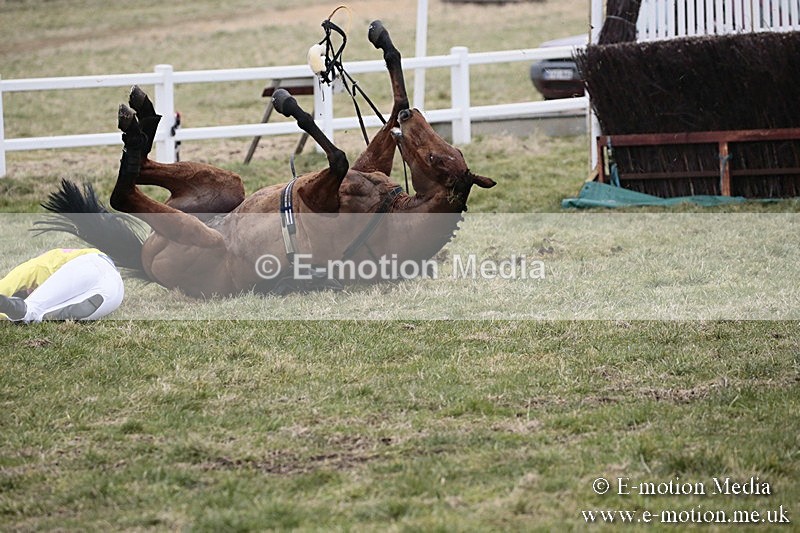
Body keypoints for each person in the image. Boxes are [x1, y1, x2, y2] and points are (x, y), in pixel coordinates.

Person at [0, 248, 124, 323]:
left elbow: (4, 286)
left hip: (92, 264)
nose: (31, 293)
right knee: (43, 316)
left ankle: (15, 308)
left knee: (32, 311)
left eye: (28, 293)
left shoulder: (37, 267)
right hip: (116, 290)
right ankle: (19, 311)